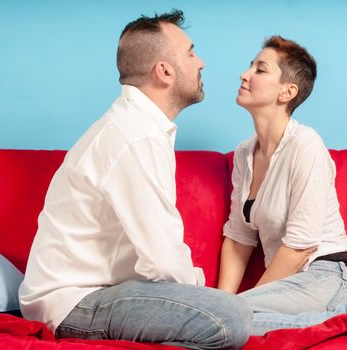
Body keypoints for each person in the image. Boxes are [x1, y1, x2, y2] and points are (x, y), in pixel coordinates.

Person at [19, 10, 251, 350]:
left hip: (108, 292)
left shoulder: (140, 129)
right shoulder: (134, 137)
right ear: (164, 71)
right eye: (190, 52)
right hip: (75, 303)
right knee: (228, 317)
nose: (200, 62)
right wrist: (202, 298)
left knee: (237, 309)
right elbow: (162, 259)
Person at [218, 35, 347, 335]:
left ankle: (342, 316)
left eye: (260, 69)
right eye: (250, 66)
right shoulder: (245, 153)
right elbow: (239, 238)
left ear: (287, 91)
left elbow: (300, 247)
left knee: (220, 323)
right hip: (289, 286)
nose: (244, 75)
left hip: (328, 277)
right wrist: (220, 302)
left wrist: (235, 308)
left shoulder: (305, 145)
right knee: (212, 320)